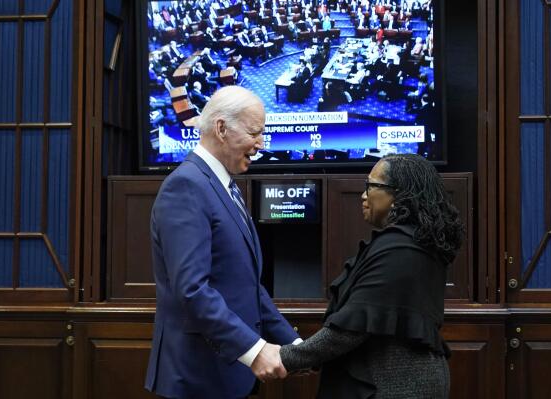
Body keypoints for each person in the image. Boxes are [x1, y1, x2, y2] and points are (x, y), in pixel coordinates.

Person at [145, 86, 301, 399]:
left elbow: (244, 285)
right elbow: (193, 290)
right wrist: (255, 351)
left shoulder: (224, 185)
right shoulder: (187, 186)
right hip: (198, 380)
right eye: (255, 132)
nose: (260, 143)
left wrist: (295, 347)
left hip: (227, 377)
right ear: (221, 128)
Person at [279, 153, 464, 399]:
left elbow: (350, 330)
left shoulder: (400, 249)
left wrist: (284, 358)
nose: (364, 194)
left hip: (395, 387)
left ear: (399, 194)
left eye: (371, 186)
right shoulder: (411, 243)